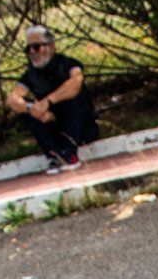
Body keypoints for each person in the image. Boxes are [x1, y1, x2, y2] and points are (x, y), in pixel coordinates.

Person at [5, 25, 97, 172]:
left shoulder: (68, 64)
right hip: (51, 122)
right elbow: (12, 98)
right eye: (29, 49)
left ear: (51, 46)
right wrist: (32, 109)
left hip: (80, 125)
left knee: (73, 97)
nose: (33, 52)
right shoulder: (31, 74)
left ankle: (70, 152)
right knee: (26, 109)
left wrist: (48, 102)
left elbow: (75, 83)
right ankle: (54, 155)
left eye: (36, 47)